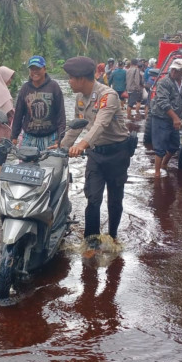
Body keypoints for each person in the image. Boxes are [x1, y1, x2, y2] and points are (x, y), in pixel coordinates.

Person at [60, 57, 131, 247]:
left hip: (117, 154)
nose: (69, 82)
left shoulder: (108, 96)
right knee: (93, 198)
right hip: (96, 154)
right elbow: (77, 126)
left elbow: (101, 124)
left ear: (82, 79)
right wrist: (62, 147)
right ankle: (91, 243)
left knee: (115, 200)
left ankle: (113, 236)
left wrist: (81, 145)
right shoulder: (80, 98)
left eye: (71, 78)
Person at [11, 56, 65, 150]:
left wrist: (61, 138)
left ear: (44, 69)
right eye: (32, 69)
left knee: (51, 164)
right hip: (29, 138)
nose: (35, 72)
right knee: (25, 164)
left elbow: (61, 114)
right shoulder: (25, 88)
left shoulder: (54, 87)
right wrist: (14, 136)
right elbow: (18, 114)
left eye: (38, 69)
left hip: (51, 137)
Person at [151, 59, 182, 177]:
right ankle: (157, 173)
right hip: (161, 117)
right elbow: (163, 102)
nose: (173, 72)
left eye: (176, 70)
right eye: (172, 69)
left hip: (174, 118)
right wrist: (175, 118)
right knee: (160, 147)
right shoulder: (164, 82)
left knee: (174, 144)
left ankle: (164, 164)